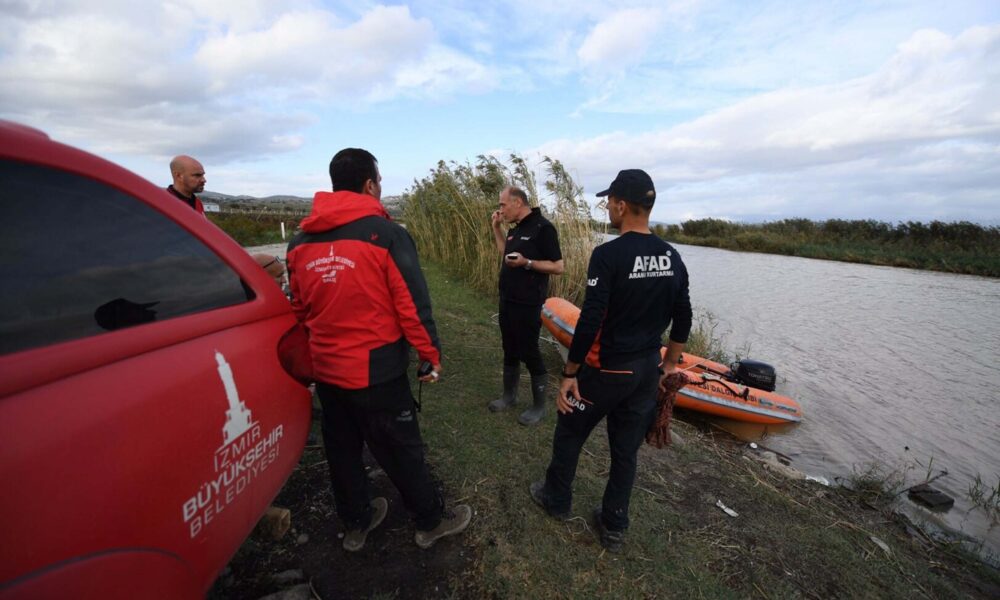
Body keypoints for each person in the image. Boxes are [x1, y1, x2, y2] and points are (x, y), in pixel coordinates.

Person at [286, 148, 471, 552]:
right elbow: (412, 306)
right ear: (370, 185)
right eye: (380, 181)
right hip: (377, 373)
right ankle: (430, 521)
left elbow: (299, 309)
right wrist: (430, 356)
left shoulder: (299, 243)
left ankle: (357, 522)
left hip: (327, 372)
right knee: (402, 449)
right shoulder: (386, 235)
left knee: (342, 451)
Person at [529, 169, 692, 553]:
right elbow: (683, 316)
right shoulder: (672, 256)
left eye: (608, 202)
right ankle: (615, 523)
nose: (606, 208)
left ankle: (556, 498)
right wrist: (669, 365)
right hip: (646, 371)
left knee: (570, 429)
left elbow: (591, 318)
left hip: (608, 370)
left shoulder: (608, 255)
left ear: (621, 205)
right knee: (625, 450)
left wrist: (570, 372)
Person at [488, 186, 564, 425]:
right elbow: (505, 253)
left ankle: (539, 406)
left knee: (529, 350)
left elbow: (558, 266)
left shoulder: (543, 228)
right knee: (509, 347)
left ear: (518, 202)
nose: (500, 209)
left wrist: (527, 263)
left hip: (529, 302)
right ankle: (508, 396)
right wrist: (497, 228)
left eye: (503, 204)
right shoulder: (516, 228)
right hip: (507, 299)